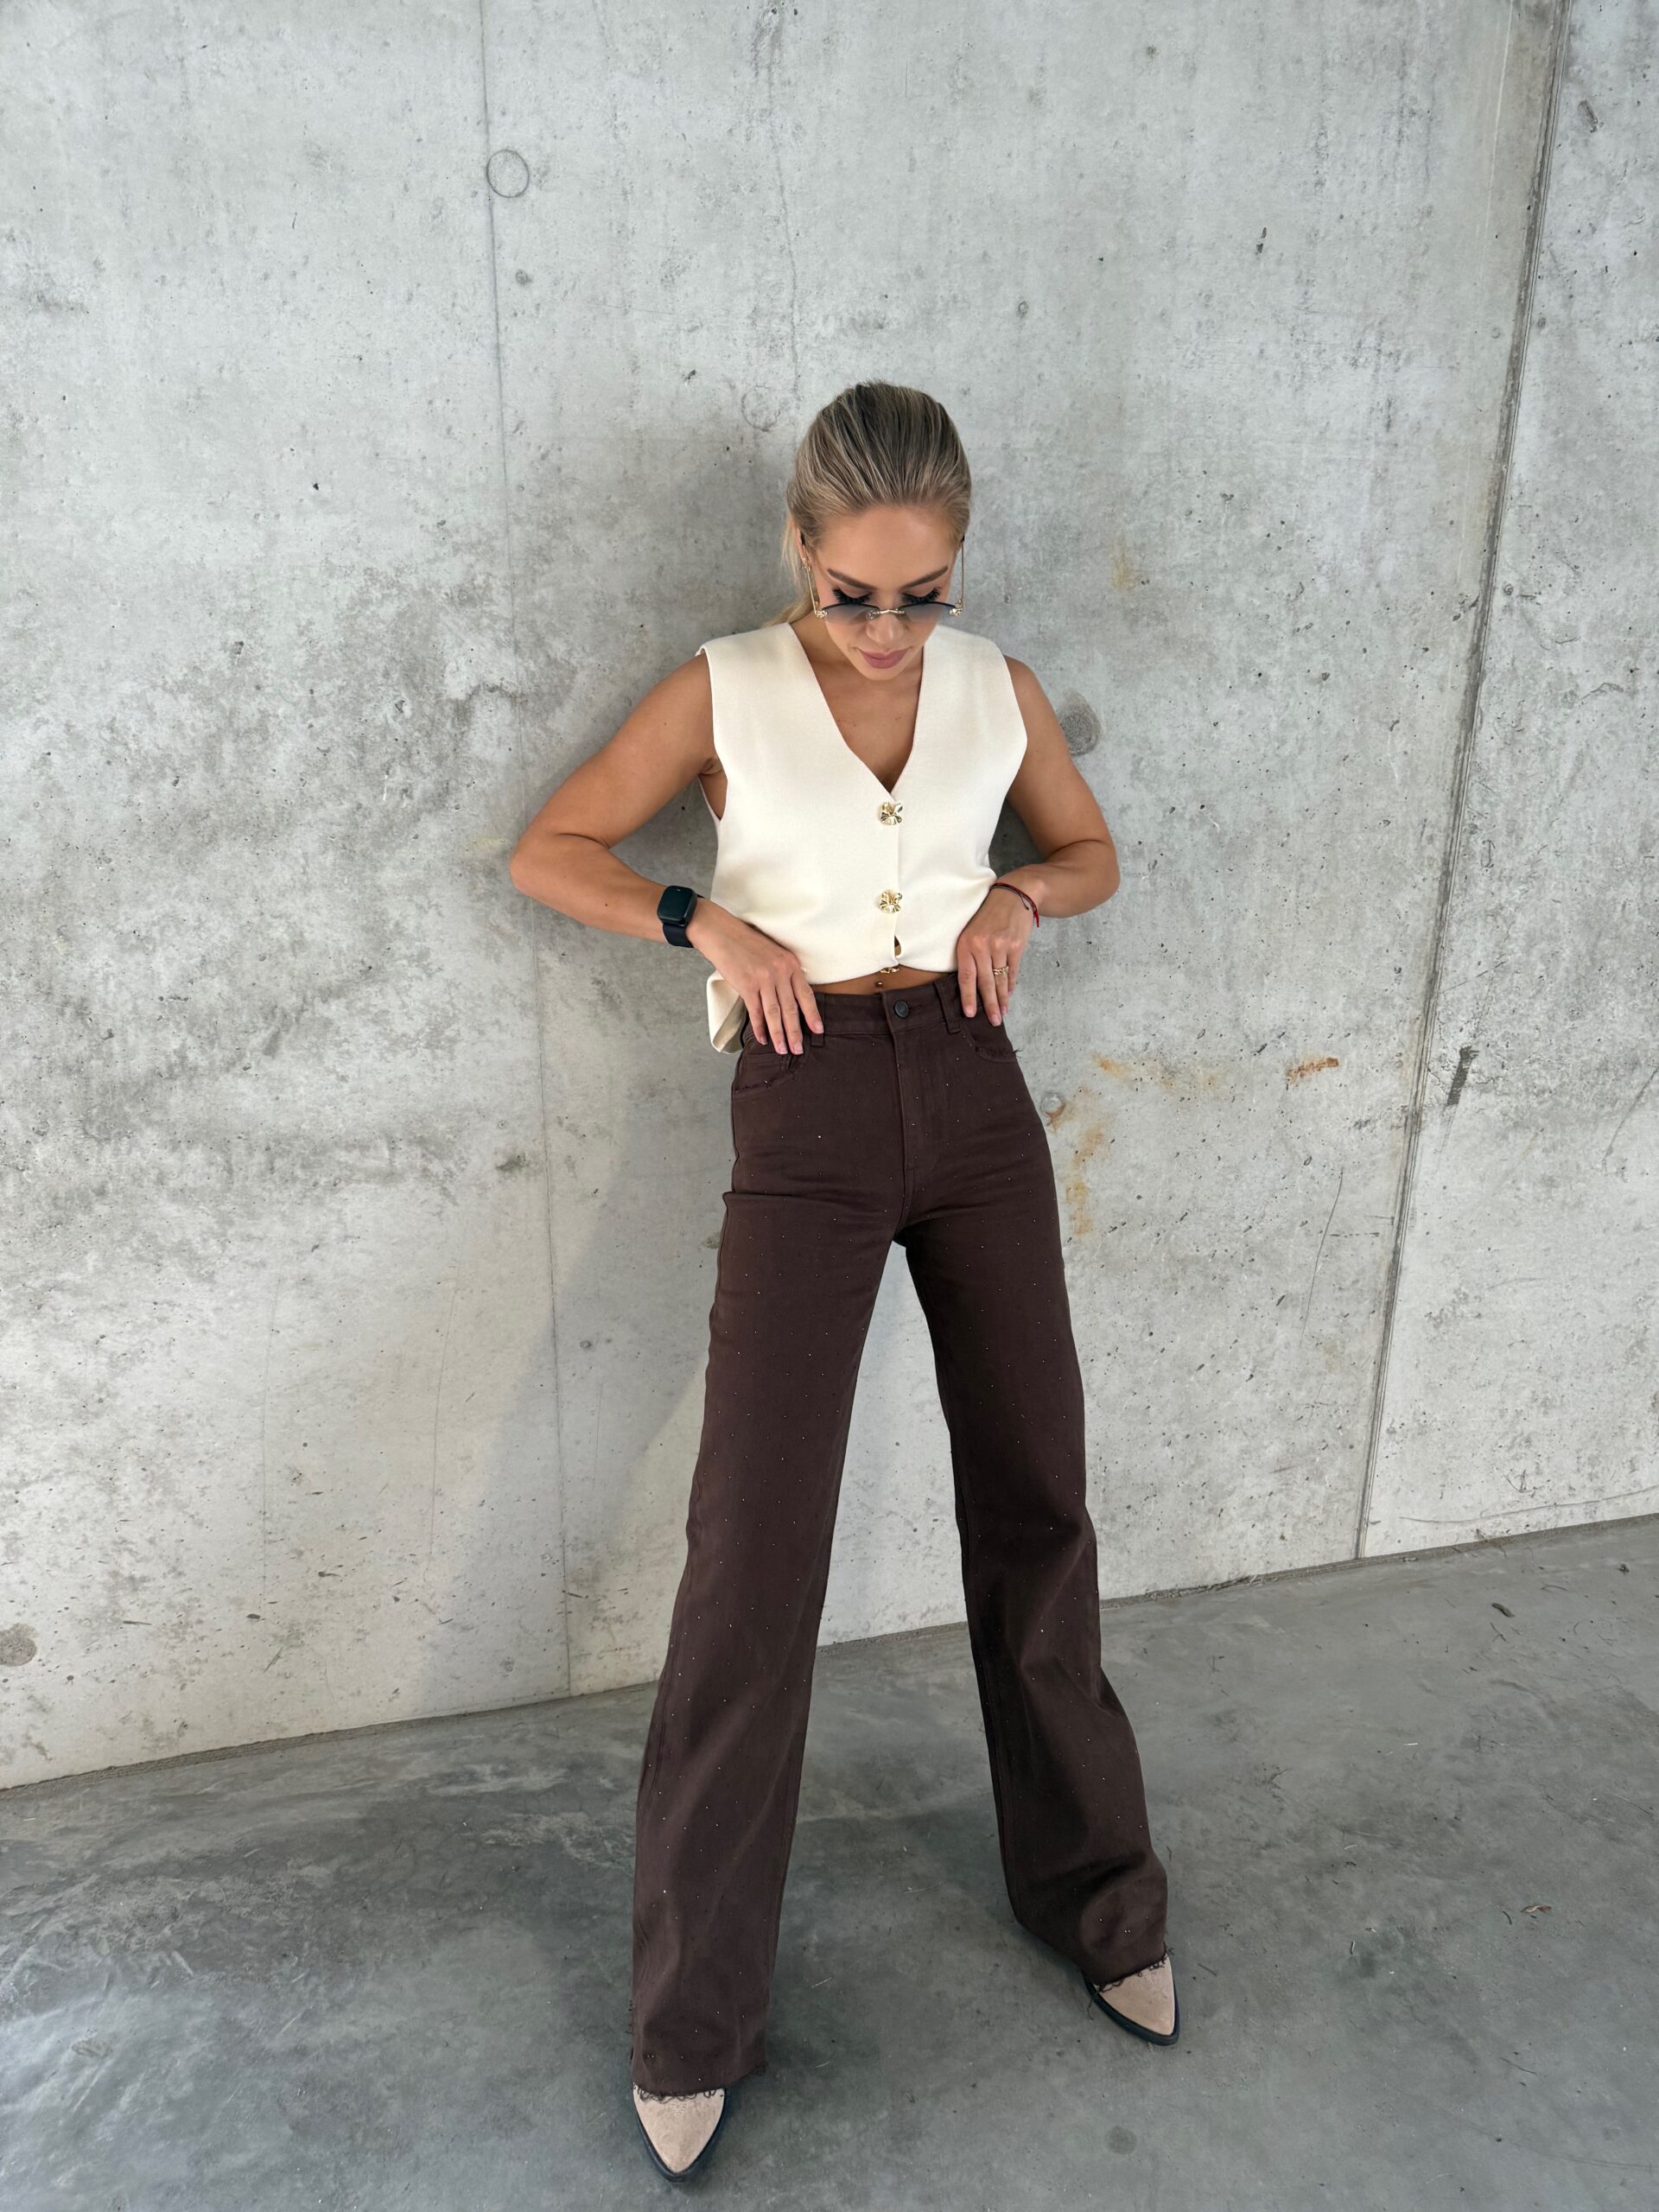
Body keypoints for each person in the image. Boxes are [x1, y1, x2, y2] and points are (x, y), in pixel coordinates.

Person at [509, 380, 1179, 2183]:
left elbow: (1092, 849)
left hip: (973, 1094)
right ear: (800, 549)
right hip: (801, 1108)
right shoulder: (720, 686)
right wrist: (703, 919)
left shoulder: (995, 688)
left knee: (1037, 1496)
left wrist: (1020, 900)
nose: (888, 632)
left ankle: (1102, 1901)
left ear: (958, 568)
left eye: (923, 594)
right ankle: (692, 2017)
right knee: (752, 1548)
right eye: (854, 594)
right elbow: (551, 848)